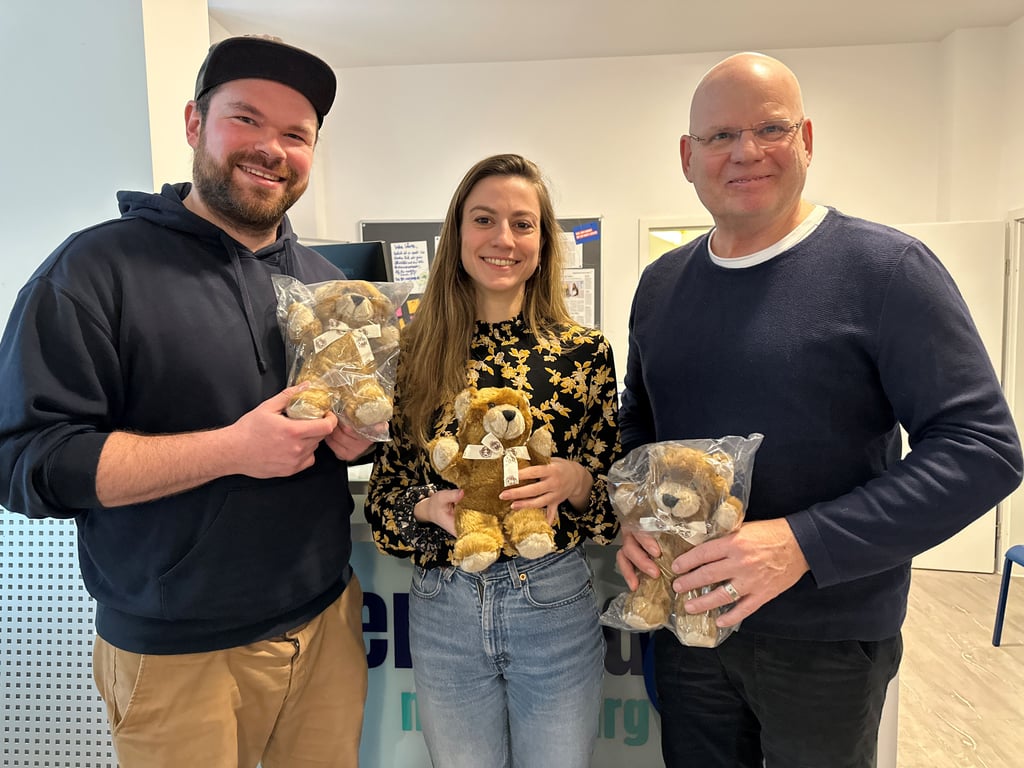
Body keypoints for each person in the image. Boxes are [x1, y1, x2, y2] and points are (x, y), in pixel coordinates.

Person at [617, 52, 1023, 768]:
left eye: (770, 128)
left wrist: (801, 543)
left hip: (828, 640)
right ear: (688, 156)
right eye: (719, 136)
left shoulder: (886, 270)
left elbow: (982, 449)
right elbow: (641, 422)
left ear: (807, 139)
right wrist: (633, 511)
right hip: (691, 627)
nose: (745, 152)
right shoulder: (661, 286)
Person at [0, 36, 375, 768]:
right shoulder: (93, 269)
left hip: (326, 625)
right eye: (246, 119)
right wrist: (233, 449)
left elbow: (346, 423)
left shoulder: (330, 287)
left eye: (296, 135)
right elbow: (25, 462)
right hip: (177, 656)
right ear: (194, 123)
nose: (271, 148)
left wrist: (356, 438)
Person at [364, 153, 621, 768]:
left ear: (543, 240)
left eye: (522, 223)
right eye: (484, 219)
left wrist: (579, 481)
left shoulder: (585, 353)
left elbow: (616, 502)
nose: (503, 239)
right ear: (456, 234)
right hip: (443, 604)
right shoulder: (412, 352)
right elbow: (382, 500)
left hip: (553, 600)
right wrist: (425, 507)